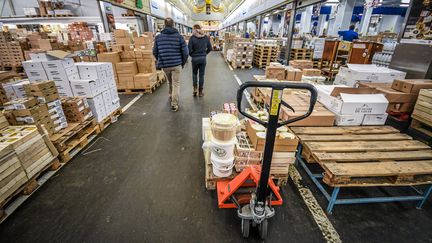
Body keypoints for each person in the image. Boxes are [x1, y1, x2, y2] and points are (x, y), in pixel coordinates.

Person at [153, 18, 188, 112]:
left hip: (165, 64)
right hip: (177, 64)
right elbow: (185, 52)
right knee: (176, 83)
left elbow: (155, 52)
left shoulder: (158, 37)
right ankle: (174, 104)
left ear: (164, 25)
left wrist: (160, 59)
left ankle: (170, 95)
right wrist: (182, 63)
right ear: (173, 25)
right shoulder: (179, 37)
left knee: (169, 82)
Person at [188, 24, 212, 97]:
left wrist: (193, 55)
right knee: (201, 75)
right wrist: (204, 54)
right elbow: (210, 48)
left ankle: (195, 89)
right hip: (202, 59)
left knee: (194, 74)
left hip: (194, 59)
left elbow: (189, 50)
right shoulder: (205, 37)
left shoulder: (192, 38)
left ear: (194, 29)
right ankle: (200, 92)